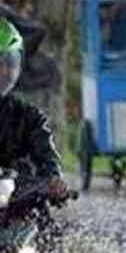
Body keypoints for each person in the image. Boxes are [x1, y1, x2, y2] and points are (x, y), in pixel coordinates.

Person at [0, 17, 67, 200]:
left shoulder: (29, 117)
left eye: (9, 63)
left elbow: (46, 153)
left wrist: (54, 179)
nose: (5, 72)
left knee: (45, 219)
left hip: (16, 205)